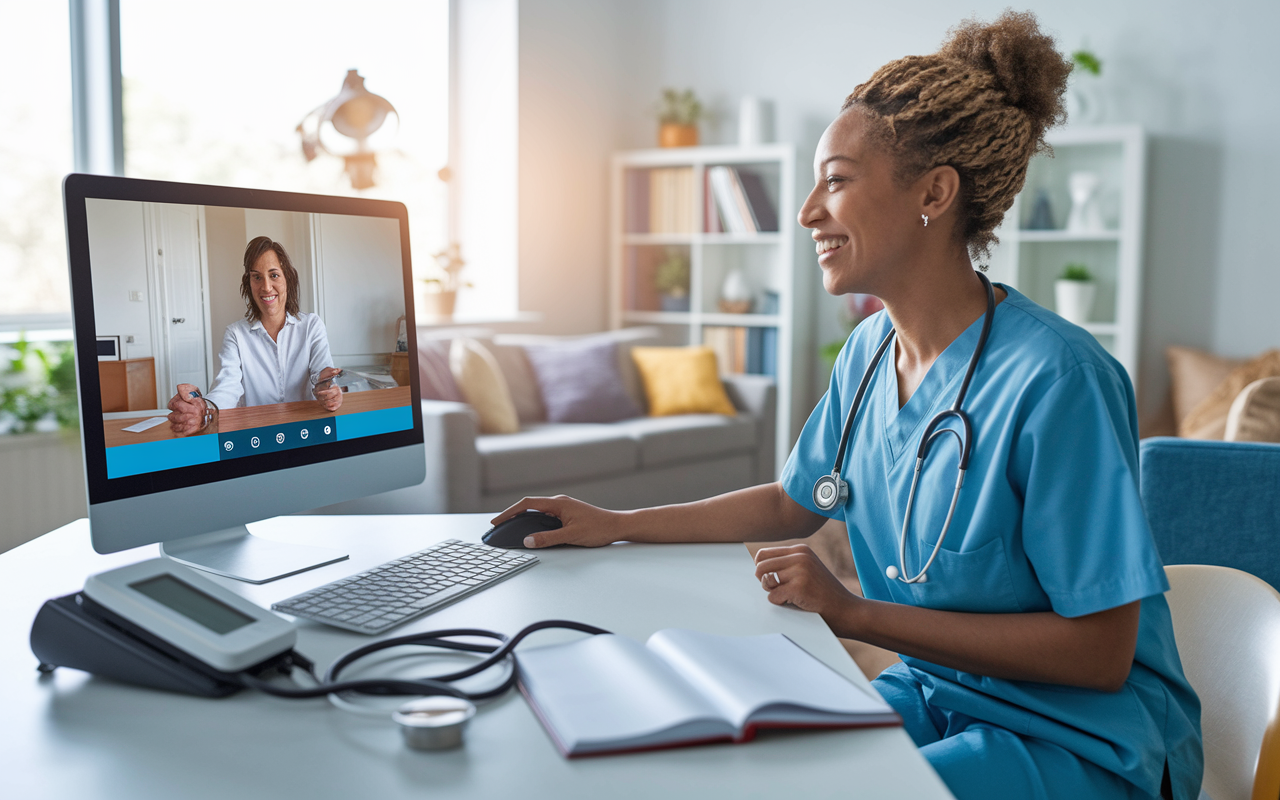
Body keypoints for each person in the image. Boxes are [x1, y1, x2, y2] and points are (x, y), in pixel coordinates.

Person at [489, 12, 1202, 800]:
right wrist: (616, 525)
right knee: (757, 775)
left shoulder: (1059, 378)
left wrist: (855, 613)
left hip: (1082, 738)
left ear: (934, 192)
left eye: (835, 180)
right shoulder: (867, 356)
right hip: (943, 696)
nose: (806, 213)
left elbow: (1100, 655)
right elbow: (795, 502)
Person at [167, 236, 342, 434]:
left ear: (288, 279)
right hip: (256, 437)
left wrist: (327, 390)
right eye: (257, 277)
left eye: (274, 275)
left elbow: (322, 377)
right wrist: (203, 409)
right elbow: (227, 387)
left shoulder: (312, 325)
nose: (266, 287)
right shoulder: (235, 334)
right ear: (249, 284)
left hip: (306, 432)